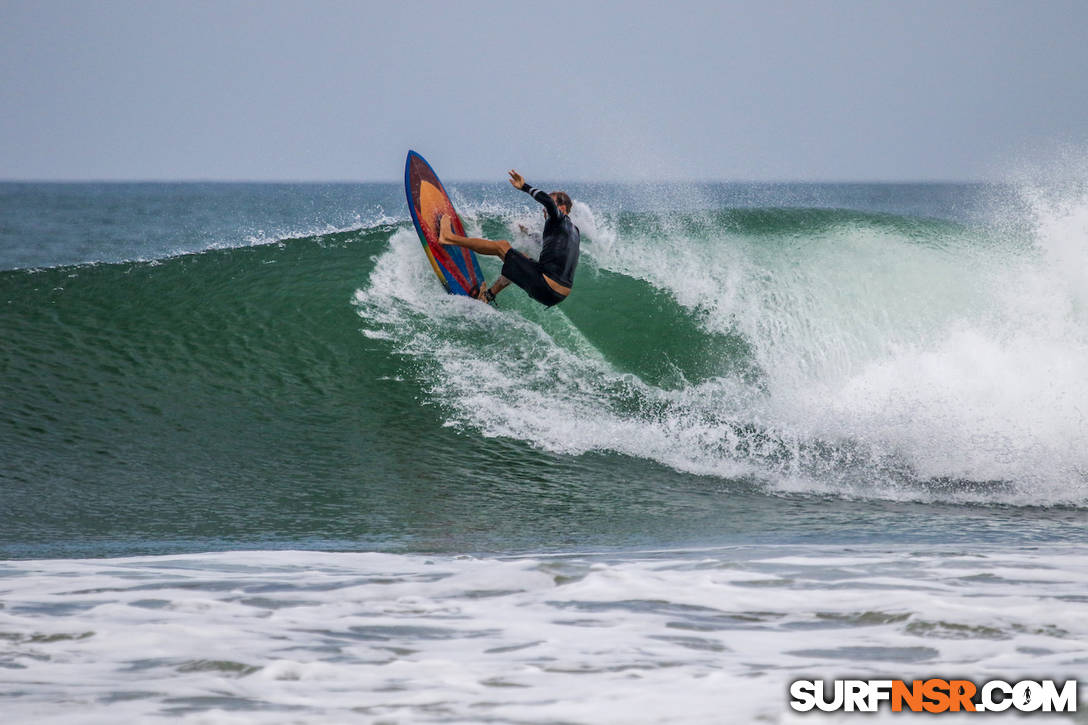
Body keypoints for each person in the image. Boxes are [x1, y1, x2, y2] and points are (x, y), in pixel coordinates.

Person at [438, 170, 579, 307]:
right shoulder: (573, 231)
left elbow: (547, 201)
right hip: (558, 294)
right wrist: (528, 234)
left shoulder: (558, 218)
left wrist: (524, 186)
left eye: (549, 207)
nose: (544, 210)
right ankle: (487, 296)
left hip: (546, 285)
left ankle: (448, 238)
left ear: (561, 208)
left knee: (502, 246)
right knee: (520, 258)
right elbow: (552, 247)